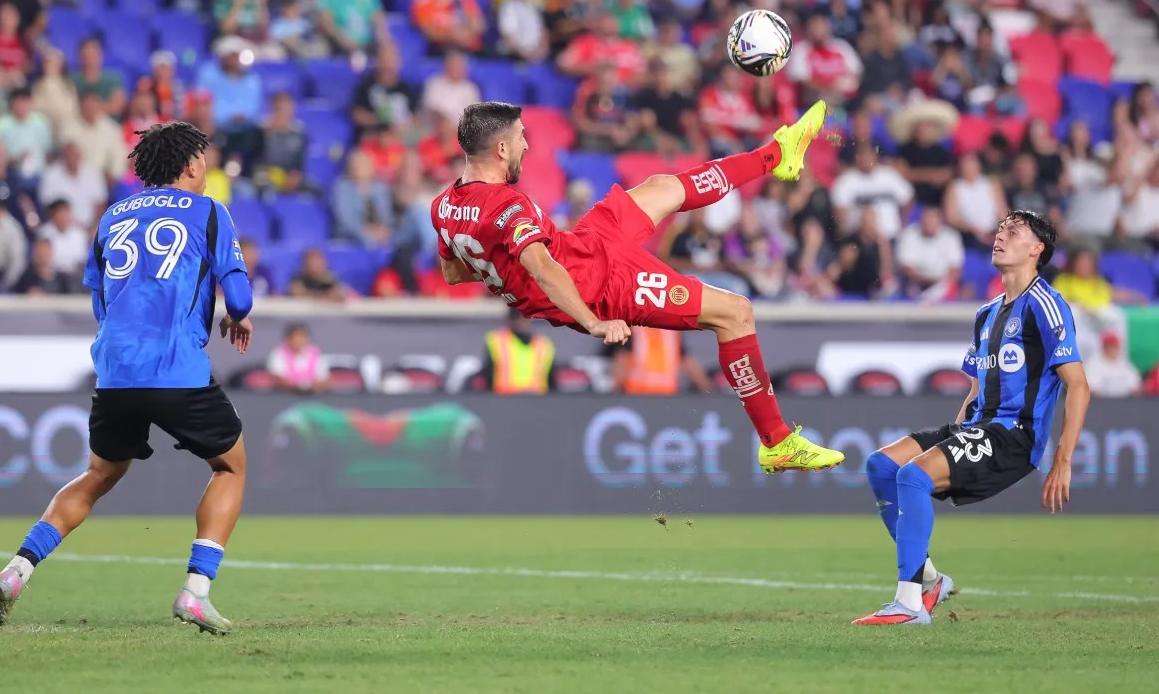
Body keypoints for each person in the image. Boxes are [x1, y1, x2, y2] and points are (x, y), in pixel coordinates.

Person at [431, 100, 844, 473]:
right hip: (604, 285)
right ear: (501, 149)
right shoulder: (507, 204)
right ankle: (777, 442)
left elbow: (454, 273)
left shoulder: (445, 206)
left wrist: (504, 275)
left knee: (663, 186)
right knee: (736, 313)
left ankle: (777, 154)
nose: (526, 147)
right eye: (521, 138)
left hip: (583, 245)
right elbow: (542, 267)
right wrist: (593, 322)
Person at [0, 122, 255, 636]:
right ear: (192, 164)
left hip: (115, 371)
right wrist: (234, 314)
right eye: (204, 159)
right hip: (176, 370)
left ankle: (16, 571)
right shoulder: (210, 211)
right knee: (231, 467)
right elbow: (239, 300)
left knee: (98, 474)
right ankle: (195, 592)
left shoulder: (111, 217)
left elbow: (100, 302)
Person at [854, 210, 1090, 626]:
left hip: (1014, 435)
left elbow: (1079, 386)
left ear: (1037, 249)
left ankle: (909, 604)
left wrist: (1063, 460)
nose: (1001, 235)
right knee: (881, 465)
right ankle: (930, 580)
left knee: (913, 476)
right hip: (978, 427)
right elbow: (979, 385)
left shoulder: (1047, 306)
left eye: (1013, 231)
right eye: (1000, 228)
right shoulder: (986, 313)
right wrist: (958, 431)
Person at [480, 310, 557, 394]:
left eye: (523, 316)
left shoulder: (544, 344)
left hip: (537, 399)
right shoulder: (496, 340)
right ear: (508, 319)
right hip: (505, 398)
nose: (520, 320)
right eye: (515, 316)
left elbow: (551, 379)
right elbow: (488, 374)